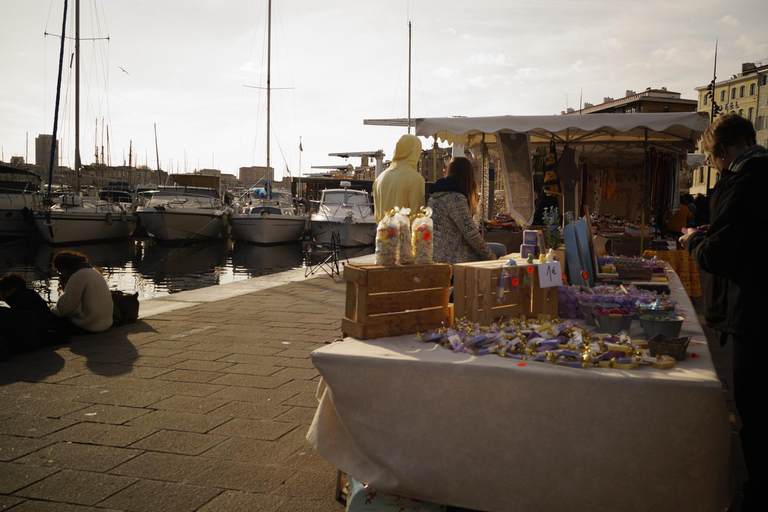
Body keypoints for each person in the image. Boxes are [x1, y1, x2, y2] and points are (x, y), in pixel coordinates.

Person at [679, 113, 768, 512]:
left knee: (756, 412)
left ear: (721, 151)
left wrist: (693, 241)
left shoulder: (745, 184)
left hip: (753, 312)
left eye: (712, 158)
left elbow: (720, 253)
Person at [428, 156, 505, 264]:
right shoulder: (455, 198)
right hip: (450, 257)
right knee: (500, 250)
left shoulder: (435, 196)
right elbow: (471, 234)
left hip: (434, 254)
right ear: (468, 176)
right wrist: (492, 259)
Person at [51, 250, 113, 334]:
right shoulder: (94, 272)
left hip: (88, 326)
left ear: (66, 267)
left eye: (60, 271)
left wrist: (52, 308)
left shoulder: (78, 276)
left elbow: (64, 309)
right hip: (105, 323)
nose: (61, 275)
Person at [0, 273, 56, 360]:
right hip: (38, 336)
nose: (4, 299)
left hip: (27, 340)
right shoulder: (31, 296)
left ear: (13, 290)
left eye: (4, 295)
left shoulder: (18, 300)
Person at [372, 134, 426, 222]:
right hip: (404, 234)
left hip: (383, 234)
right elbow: (417, 217)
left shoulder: (379, 179)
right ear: (415, 152)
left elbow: (377, 215)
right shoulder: (415, 179)